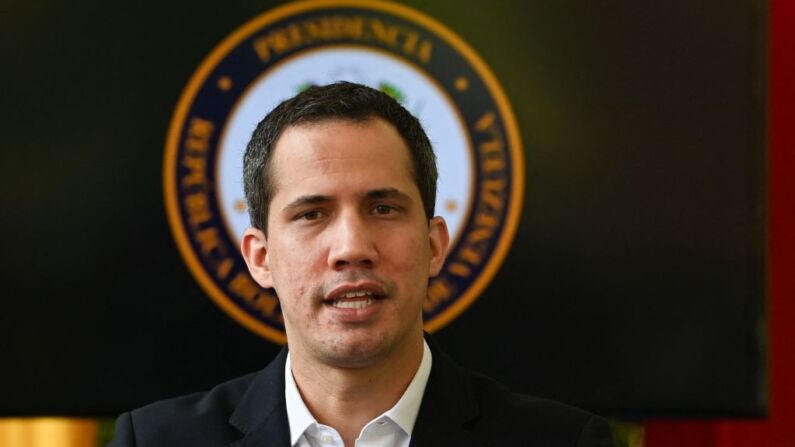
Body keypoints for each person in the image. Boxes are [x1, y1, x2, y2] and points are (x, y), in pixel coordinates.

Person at [108, 82, 613, 447]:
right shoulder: (155, 440)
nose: (351, 246)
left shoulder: (563, 440)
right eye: (312, 214)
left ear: (435, 245)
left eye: (383, 209)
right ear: (261, 258)